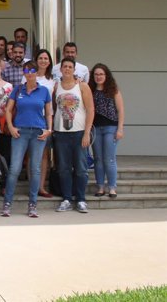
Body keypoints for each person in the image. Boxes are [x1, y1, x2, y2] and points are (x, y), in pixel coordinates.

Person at [0, 60, 53, 218]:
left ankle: (32, 204)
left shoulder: (44, 91)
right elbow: (9, 109)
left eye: (33, 70)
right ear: (24, 73)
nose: (30, 73)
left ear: (36, 72)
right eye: (27, 70)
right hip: (20, 132)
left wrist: (49, 129)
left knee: (35, 169)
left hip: (38, 132)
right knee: (15, 168)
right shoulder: (17, 89)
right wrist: (10, 126)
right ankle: (7, 204)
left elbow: (49, 112)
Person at [53, 57, 95, 213]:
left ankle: (81, 199)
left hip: (78, 133)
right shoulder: (57, 86)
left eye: (70, 67)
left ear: (74, 69)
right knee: (63, 168)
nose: (67, 69)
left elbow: (90, 110)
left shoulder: (82, 87)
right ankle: (66, 198)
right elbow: (53, 109)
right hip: (61, 133)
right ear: (61, 69)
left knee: (81, 168)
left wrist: (87, 133)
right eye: (65, 66)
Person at [89, 63, 125, 198]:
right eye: (96, 74)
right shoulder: (90, 90)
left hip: (111, 128)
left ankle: (112, 187)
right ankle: (100, 187)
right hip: (96, 128)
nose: (98, 77)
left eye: (101, 74)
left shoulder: (113, 90)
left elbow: (121, 110)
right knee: (98, 158)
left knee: (109, 159)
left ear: (106, 75)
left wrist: (120, 128)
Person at [31, 49, 56, 198]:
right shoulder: (28, 76)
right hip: (29, 120)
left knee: (44, 155)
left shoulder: (53, 80)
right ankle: (32, 186)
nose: (43, 61)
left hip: (45, 121)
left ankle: (41, 187)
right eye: (40, 58)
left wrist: (51, 125)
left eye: (46, 58)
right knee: (30, 156)